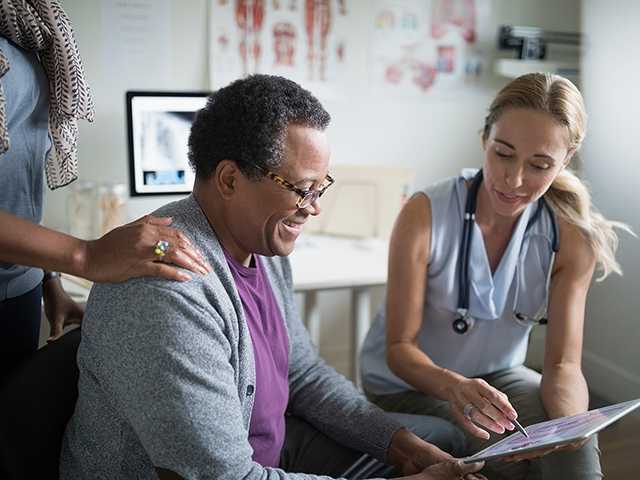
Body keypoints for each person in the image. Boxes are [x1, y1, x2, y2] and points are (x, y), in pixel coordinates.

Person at [60, 74, 485, 480]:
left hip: (275, 449)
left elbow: (302, 374)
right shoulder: (168, 286)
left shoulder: (262, 244)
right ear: (229, 179)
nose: (313, 207)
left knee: (441, 440)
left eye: (321, 188)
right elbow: (225, 476)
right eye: (302, 189)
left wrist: (399, 445)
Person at [359, 72, 632, 479]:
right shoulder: (424, 214)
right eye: (503, 153)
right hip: (407, 385)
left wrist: (571, 427)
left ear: (566, 157)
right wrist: (454, 386)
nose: (514, 179)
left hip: (498, 376)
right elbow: (400, 348)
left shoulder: (571, 236)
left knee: (574, 455)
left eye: (540, 165)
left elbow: (562, 365)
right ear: (485, 136)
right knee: (507, 463)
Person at [0, 0, 210, 385]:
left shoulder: (30, 26)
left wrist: (49, 278)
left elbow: (15, 179)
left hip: (20, 289)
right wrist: (84, 254)